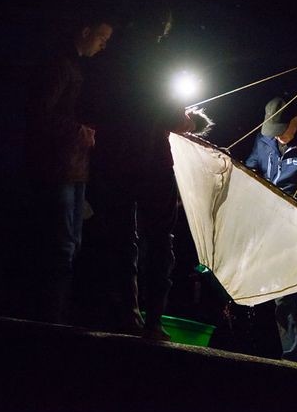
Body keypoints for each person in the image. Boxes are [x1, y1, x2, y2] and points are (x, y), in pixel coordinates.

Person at [84, 18, 213, 340]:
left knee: (121, 240)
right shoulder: (158, 64)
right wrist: (191, 120)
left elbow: (92, 109)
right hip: (152, 165)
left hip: (113, 162)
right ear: (162, 29)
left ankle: (125, 313)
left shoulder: (105, 62)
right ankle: (153, 320)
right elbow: (171, 117)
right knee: (158, 242)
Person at [23, 17, 113, 324]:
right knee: (62, 244)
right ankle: (50, 317)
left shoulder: (73, 66)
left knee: (71, 243)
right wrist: (78, 131)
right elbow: (39, 114)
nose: (104, 44)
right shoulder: (60, 66)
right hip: (59, 168)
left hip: (74, 168)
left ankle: (55, 313)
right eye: (101, 36)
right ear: (85, 30)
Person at [245, 97, 297, 365]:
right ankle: (289, 360)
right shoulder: (264, 141)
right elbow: (251, 168)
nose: (279, 136)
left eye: (284, 129)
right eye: (274, 130)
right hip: (275, 231)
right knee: (282, 299)